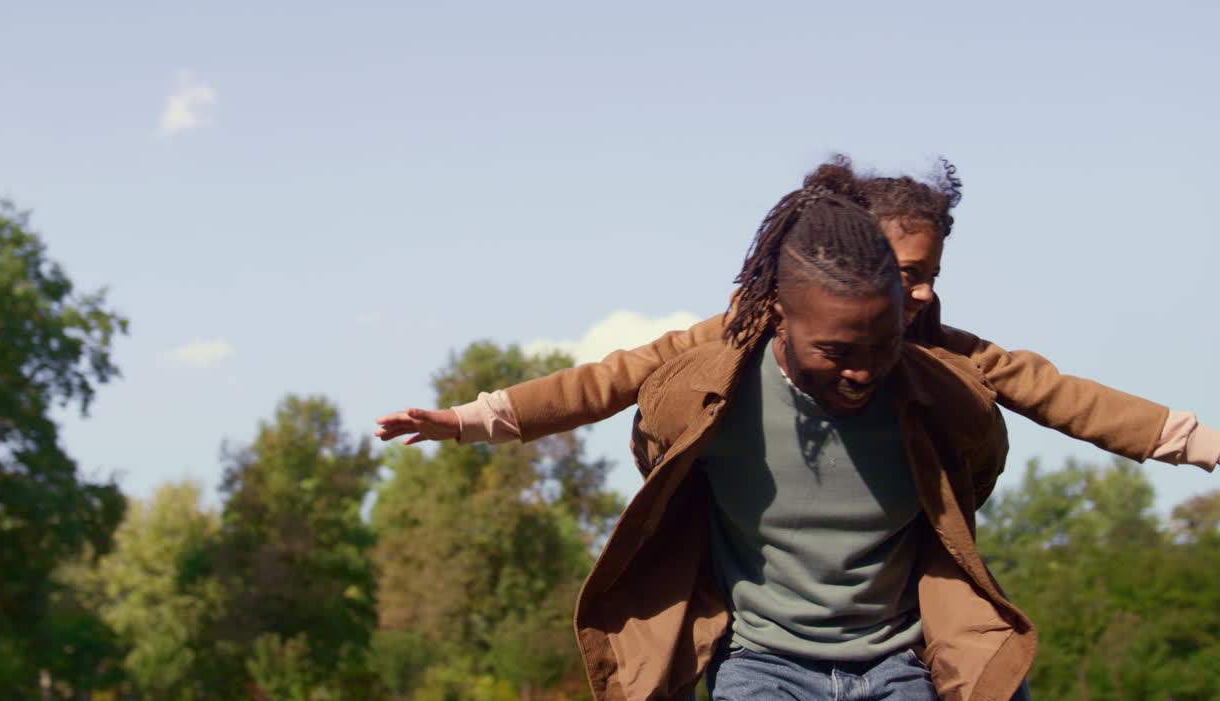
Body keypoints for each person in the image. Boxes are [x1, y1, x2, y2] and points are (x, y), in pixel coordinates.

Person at [375, 158, 1218, 471]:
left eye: (929, 277)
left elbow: (1068, 396)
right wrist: (474, 419)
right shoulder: (741, 336)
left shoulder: (951, 356)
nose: (915, 296)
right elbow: (611, 378)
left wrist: (1198, 443)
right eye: (900, 274)